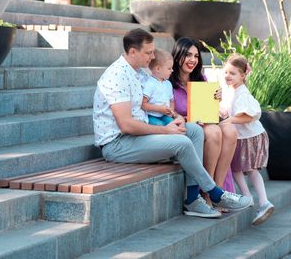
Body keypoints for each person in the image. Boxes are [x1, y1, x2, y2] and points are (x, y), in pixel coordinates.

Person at [93, 28, 252, 219]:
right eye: (148, 52)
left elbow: (160, 102)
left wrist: (176, 118)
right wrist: (165, 130)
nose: (152, 57)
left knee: (193, 131)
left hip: (139, 136)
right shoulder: (116, 76)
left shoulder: (139, 74)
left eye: (153, 52)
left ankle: (193, 199)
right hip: (118, 143)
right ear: (133, 52)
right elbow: (126, 125)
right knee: (182, 142)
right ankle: (215, 193)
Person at [169, 38, 238, 195]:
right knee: (214, 132)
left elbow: (208, 111)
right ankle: (206, 192)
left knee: (230, 131)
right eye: (188, 55)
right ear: (177, 55)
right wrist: (187, 118)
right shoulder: (168, 81)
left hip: (204, 122)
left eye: (196, 56)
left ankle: (218, 190)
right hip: (186, 126)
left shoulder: (201, 79)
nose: (193, 60)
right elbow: (169, 112)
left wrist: (215, 99)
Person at [221, 54, 275, 225]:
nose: (228, 76)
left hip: (250, 137)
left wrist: (230, 120)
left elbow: (249, 116)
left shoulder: (243, 94)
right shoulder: (232, 91)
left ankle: (263, 202)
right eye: (226, 72)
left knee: (250, 170)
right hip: (241, 137)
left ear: (243, 76)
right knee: (235, 167)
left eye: (233, 73)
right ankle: (247, 197)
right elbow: (230, 111)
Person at [141, 49, 176, 126]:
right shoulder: (150, 84)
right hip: (151, 116)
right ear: (158, 69)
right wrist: (159, 109)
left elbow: (172, 100)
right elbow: (143, 104)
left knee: (173, 124)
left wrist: (171, 111)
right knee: (160, 125)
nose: (172, 70)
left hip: (164, 115)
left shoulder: (168, 84)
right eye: (169, 68)